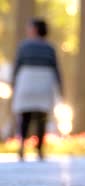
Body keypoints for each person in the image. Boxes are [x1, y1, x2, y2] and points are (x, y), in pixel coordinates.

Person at [11, 18, 62, 161]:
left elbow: (17, 66)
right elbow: (56, 68)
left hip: (26, 81)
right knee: (41, 117)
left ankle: (22, 146)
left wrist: (14, 83)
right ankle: (39, 149)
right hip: (44, 83)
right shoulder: (50, 48)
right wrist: (60, 88)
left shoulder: (24, 46)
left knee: (25, 116)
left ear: (35, 30)